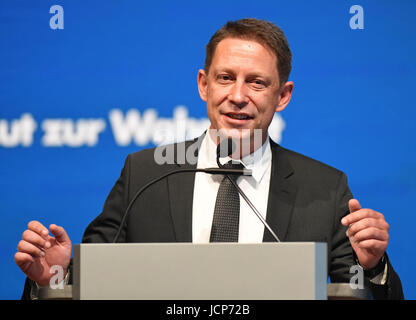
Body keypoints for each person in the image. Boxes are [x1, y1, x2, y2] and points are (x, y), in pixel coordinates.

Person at [15, 18, 403, 299]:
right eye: (225, 78)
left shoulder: (325, 188)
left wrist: (372, 270)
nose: (237, 95)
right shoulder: (145, 173)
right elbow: (94, 284)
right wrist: (55, 275)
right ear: (204, 85)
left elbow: (352, 289)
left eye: (256, 82)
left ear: (282, 96)